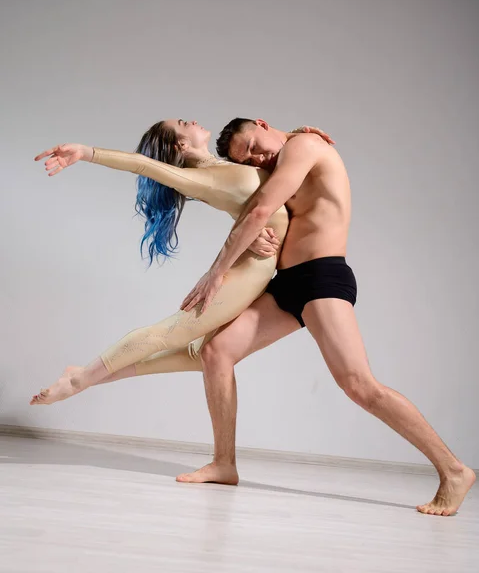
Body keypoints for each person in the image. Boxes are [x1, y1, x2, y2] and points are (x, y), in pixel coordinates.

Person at [178, 117, 476, 516]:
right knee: (217, 352)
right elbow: (251, 209)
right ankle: (224, 463)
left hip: (322, 276)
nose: (257, 158)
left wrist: (216, 274)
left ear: (264, 124)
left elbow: (259, 209)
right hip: (288, 283)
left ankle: (453, 470)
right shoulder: (279, 162)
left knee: (358, 384)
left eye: (252, 146)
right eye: (248, 158)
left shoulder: (303, 147)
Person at [31, 120, 332, 405]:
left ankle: (83, 376)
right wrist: (86, 153)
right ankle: (78, 381)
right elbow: (142, 164)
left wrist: (294, 136)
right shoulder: (196, 177)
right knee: (167, 334)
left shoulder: (227, 165)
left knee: (199, 356)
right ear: (180, 145)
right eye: (183, 124)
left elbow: (263, 188)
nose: (192, 121)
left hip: (260, 274)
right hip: (241, 277)